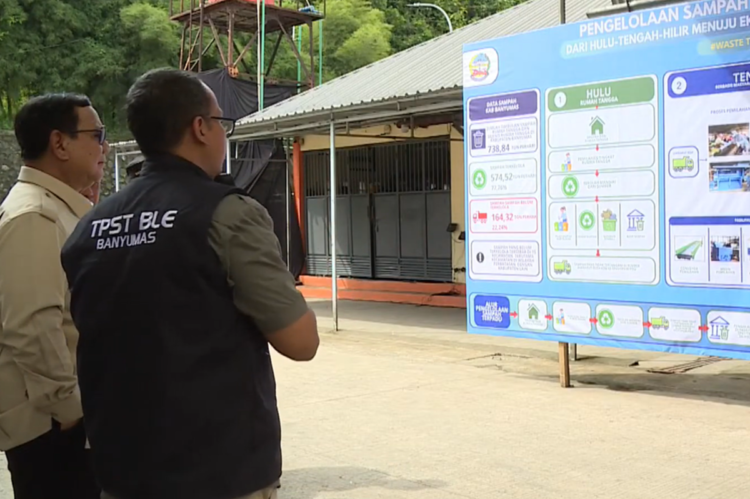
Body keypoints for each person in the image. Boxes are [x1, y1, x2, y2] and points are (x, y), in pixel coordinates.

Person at [61, 67, 319, 499]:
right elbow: (300, 341)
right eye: (221, 123)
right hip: (218, 469)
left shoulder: (90, 226)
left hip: (122, 466)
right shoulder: (227, 213)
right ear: (200, 128)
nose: (222, 135)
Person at [0, 93, 107, 499]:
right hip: (54, 429)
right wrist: (71, 409)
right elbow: (32, 326)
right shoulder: (34, 216)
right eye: (97, 135)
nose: (104, 147)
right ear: (59, 143)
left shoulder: (55, 209)